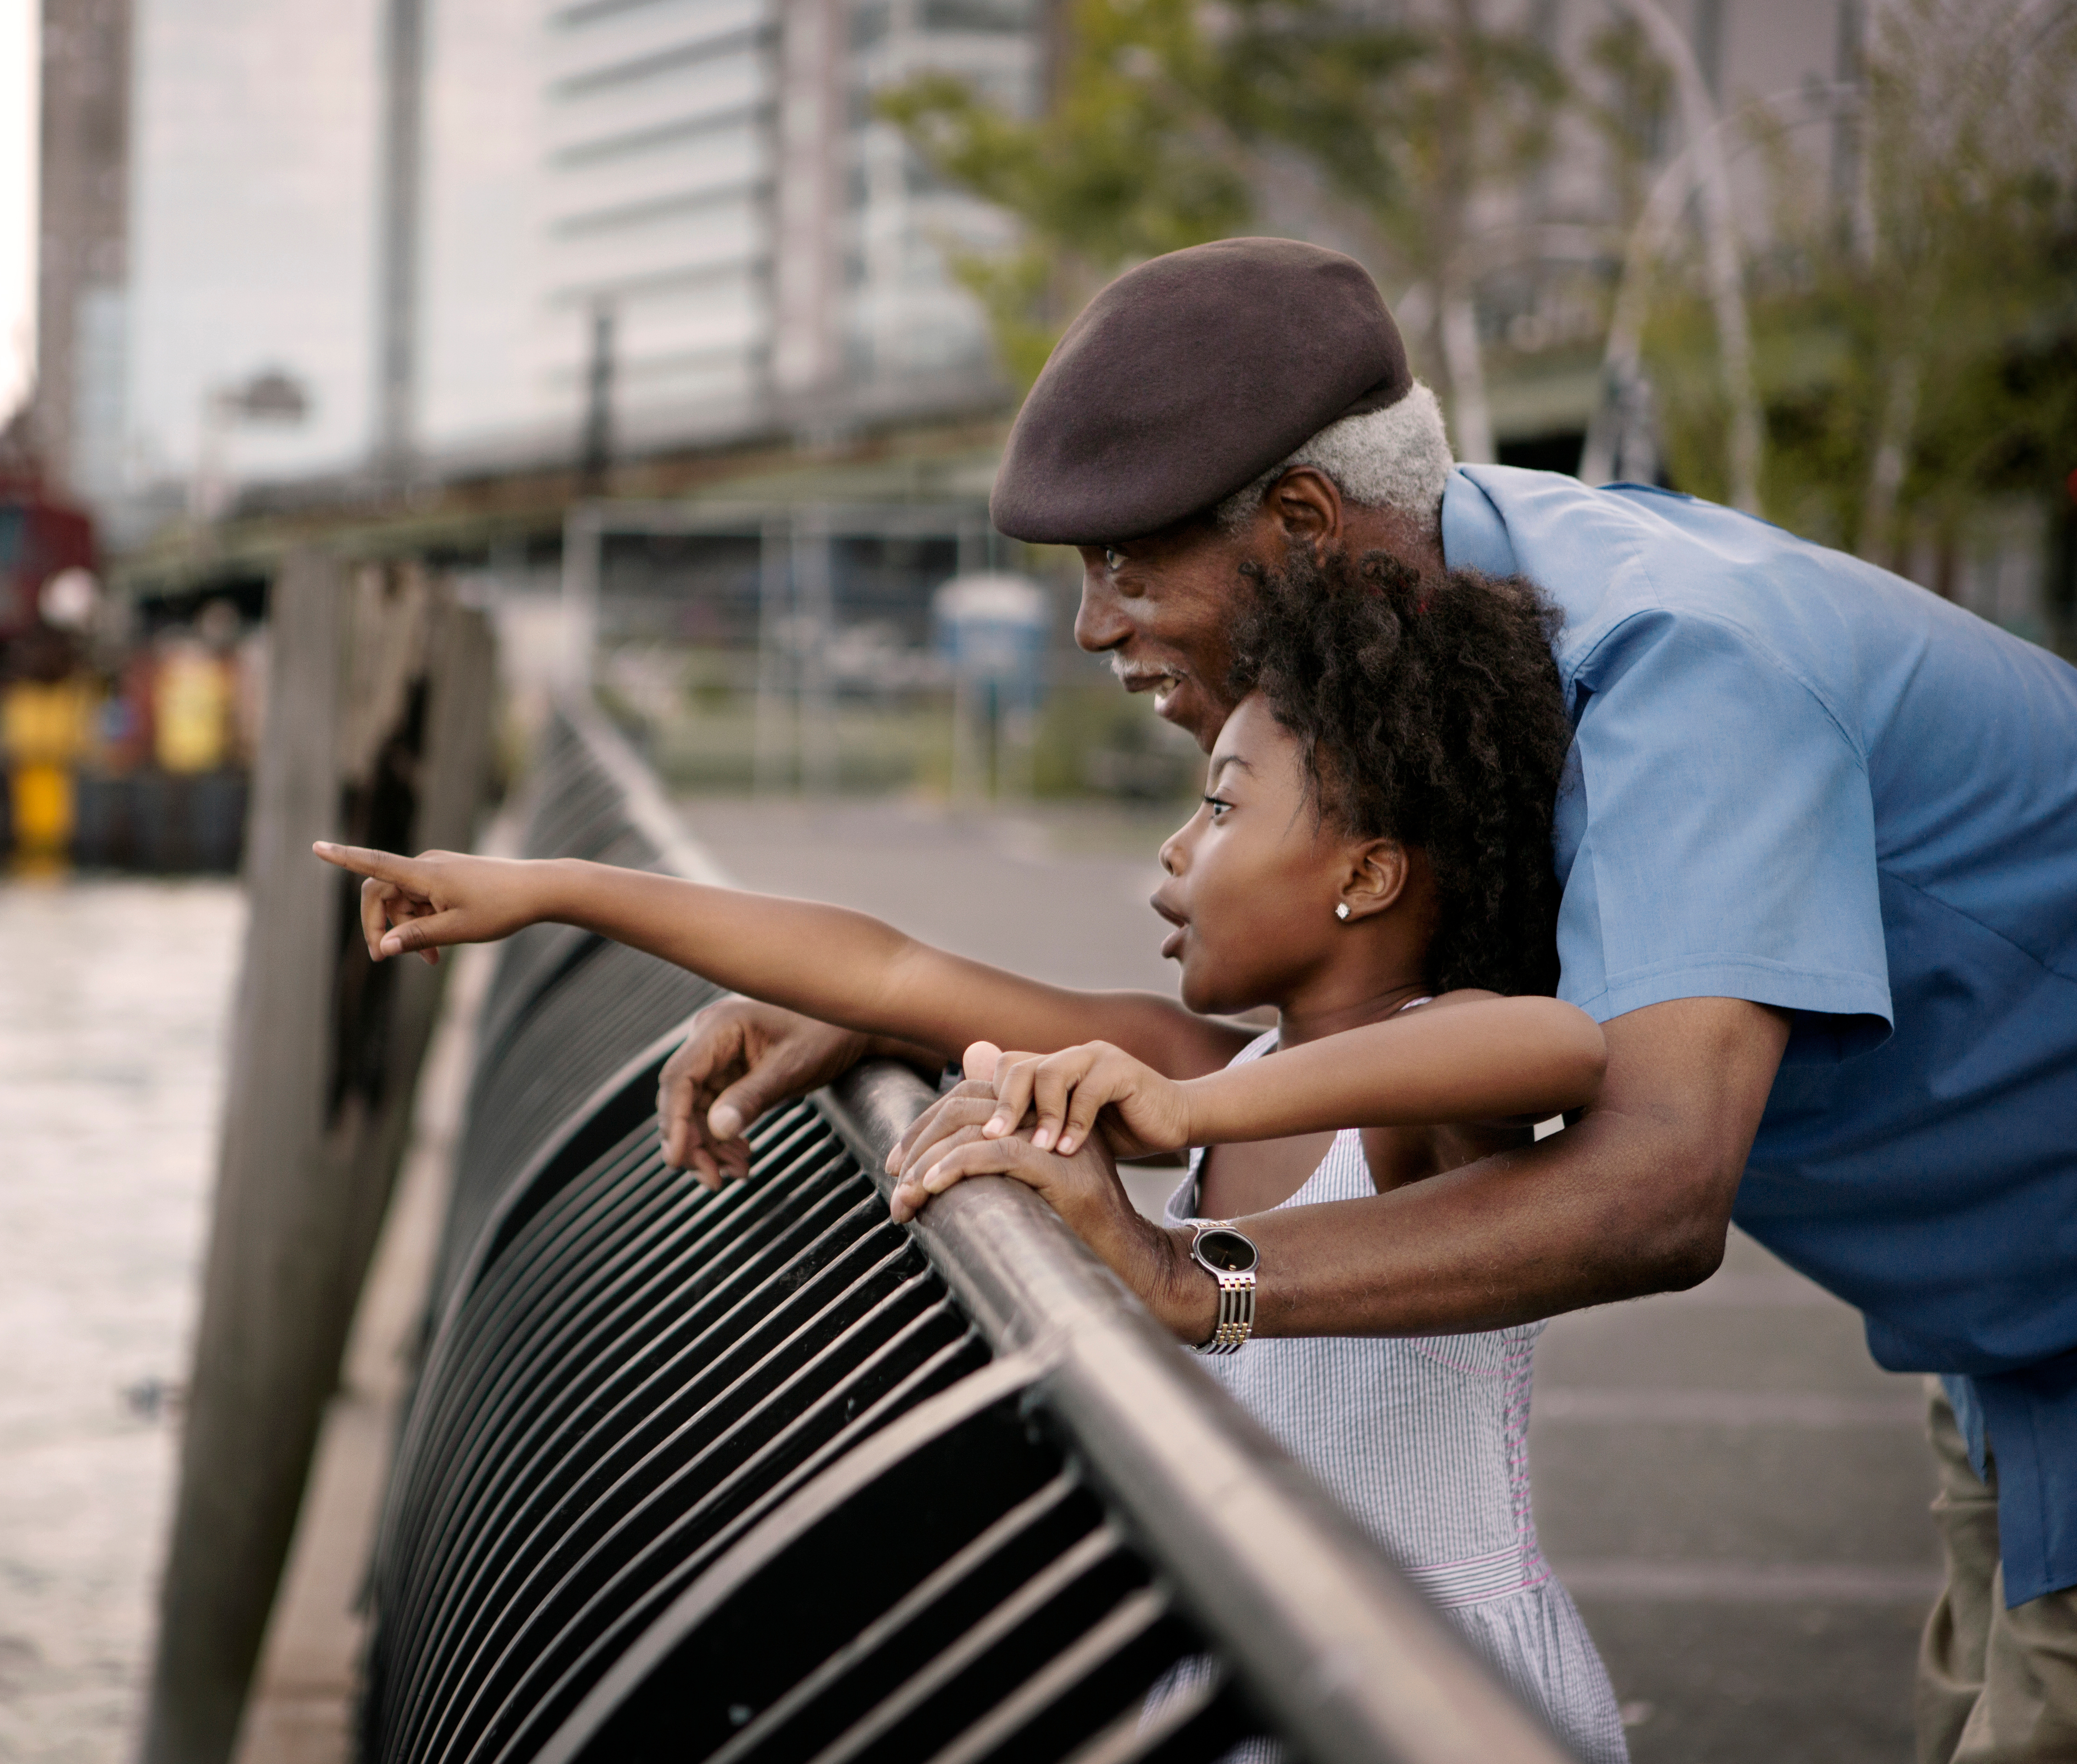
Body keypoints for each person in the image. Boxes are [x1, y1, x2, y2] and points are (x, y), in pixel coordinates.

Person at [658, 238, 2077, 1763]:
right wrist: (906, 1020)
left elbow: (1656, 1189)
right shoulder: (1455, 638)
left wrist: (1199, 1276)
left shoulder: (1674, 666)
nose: (1091, 626)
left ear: (1304, 522)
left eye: (1129, 564)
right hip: (2008, 1327)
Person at [319, 550, 1631, 1759]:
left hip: (1429, 1689)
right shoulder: (1201, 1056)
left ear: (1371, 874)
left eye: (1222, 810)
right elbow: (890, 966)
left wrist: (1179, 1124)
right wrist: (553, 889)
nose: (1175, 850)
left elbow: (1556, 1051)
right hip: (1253, 1648)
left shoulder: (1404, 1082)